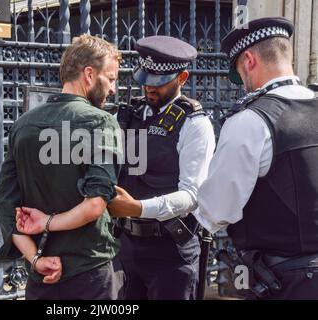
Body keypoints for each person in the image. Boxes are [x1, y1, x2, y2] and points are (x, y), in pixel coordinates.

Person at [0, 34, 126, 300]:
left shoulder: (23, 124)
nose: (113, 89)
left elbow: (5, 205)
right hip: (90, 271)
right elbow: (95, 205)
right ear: (89, 74)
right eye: (110, 79)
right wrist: (48, 222)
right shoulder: (101, 122)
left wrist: (35, 259)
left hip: (42, 275)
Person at [195, 17, 318, 299]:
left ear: (249, 60)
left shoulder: (250, 121)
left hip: (287, 281)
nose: (243, 85)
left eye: (240, 72)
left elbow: (217, 210)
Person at [107, 36, 216, 299]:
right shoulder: (125, 116)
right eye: (145, 80)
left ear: (182, 78)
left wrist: (138, 208)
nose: (149, 89)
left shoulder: (194, 124)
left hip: (171, 251)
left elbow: (191, 195)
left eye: (159, 83)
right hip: (125, 248)